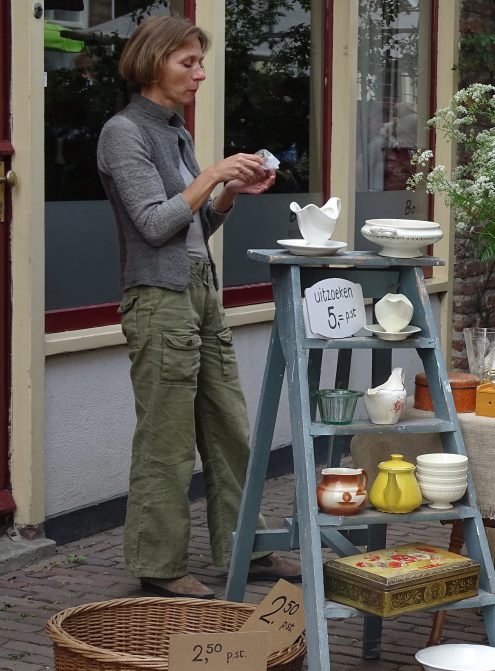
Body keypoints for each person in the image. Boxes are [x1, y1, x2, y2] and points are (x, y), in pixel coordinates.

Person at [97, 16, 300, 598]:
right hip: (158, 298)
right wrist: (212, 172)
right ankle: (159, 566)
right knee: (166, 439)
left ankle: (249, 547)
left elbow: (192, 226)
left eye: (199, 62)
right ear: (152, 61)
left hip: (197, 289)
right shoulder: (124, 132)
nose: (199, 74)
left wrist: (228, 195)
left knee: (230, 426)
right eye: (188, 63)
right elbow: (155, 224)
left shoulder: (174, 130)